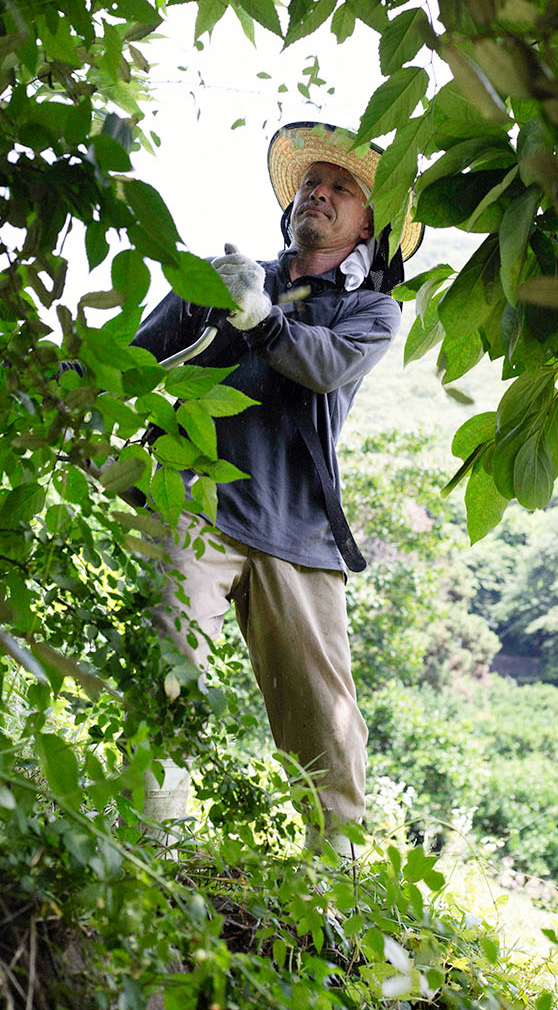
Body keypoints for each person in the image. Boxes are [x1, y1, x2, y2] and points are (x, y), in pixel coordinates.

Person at [132, 121, 413, 844]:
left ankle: (340, 885)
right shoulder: (221, 281)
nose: (316, 193)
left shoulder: (370, 311)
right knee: (167, 671)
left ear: (366, 227)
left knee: (326, 725)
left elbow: (322, 365)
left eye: (338, 189)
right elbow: (131, 363)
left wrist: (261, 322)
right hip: (195, 503)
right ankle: (153, 848)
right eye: (310, 185)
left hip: (301, 533)